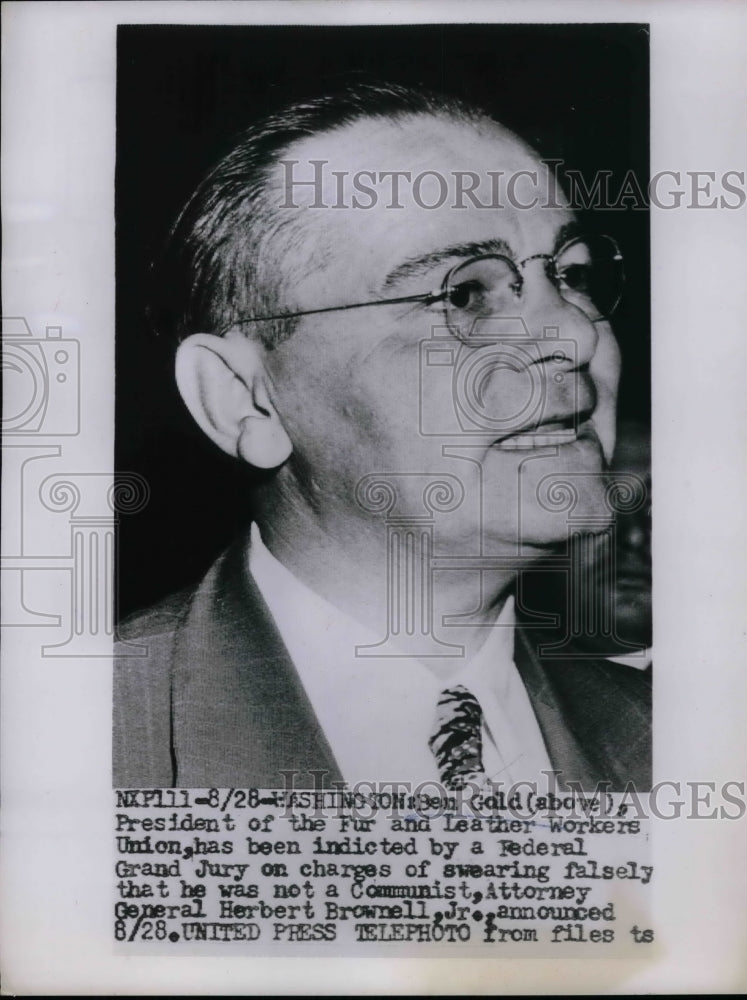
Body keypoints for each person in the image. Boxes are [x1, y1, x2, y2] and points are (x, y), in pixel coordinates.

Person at [114, 82, 650, 791]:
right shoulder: (76, 742)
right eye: (462, 293)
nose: (573, 333)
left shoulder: (695, 740)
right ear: (244, 400)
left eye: (571, 275)